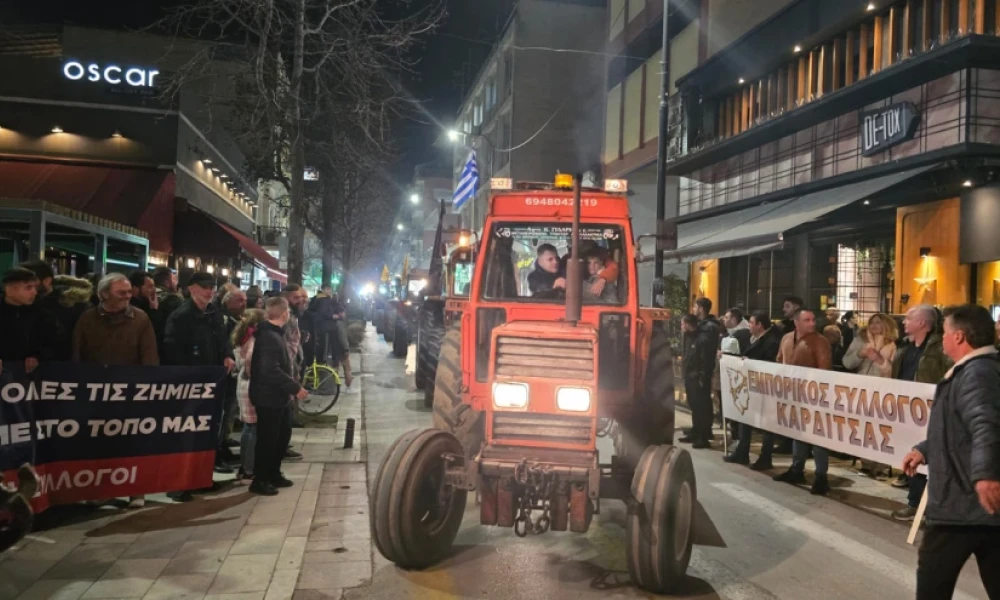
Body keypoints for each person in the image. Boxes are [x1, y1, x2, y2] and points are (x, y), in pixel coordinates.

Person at [901, 304, 1000, 599]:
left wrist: (985, 476)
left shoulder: (977, 373)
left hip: (960, 505)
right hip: (980, 506)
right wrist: (925, 449)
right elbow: (959, 430)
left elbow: (985, 424)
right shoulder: (976, 371)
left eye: (944, 332)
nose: (941, 339)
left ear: (958, 337)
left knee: (932, 585)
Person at [72, 273, 158, 508]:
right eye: (122, 293)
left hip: (130, 391)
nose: (127, 296)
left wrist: (146, 386)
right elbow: (77, 354)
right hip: (96, 392)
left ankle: (136, 491)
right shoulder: (87, 319)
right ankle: (103, 490)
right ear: (104, 294)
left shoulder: (140, 319)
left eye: (129, 292)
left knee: (132, 444)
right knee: (100, 445)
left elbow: (149, 355)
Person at [162, 271, 236, 500]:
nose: (210, 291)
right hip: (189, 384)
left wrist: (227, 355)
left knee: (208, 432)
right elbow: (172, 350)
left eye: (212, 287)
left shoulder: (213, 313)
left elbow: (223, 339)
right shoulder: (181, 316)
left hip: (213, 381)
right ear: (192, 288)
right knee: (185, 433)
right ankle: (179, 484)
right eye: (205, 287)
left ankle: (202, 477)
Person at [891, 304, 952, 521]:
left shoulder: (939, 350)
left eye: (908, 318)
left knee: (927, 455)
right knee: (913, 453)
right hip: (907, 412)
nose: (903, 322)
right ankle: (916, 503)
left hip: (930, 412)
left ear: (922, 323)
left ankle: (921, 505)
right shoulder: (905, 348)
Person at [249, 297, 310, 496]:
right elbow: (269, 370)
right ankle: (260, 479)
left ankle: (273, 473)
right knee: (268, 439)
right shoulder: (268, 336)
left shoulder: (276, 333)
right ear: (284, 314)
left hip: (279, 397)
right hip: (268, 397)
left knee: (281, 437)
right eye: (289, 313)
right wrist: (294, 387)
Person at [773, 308, 834, 495]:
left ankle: (821, 476)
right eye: (807, 320)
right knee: (797, 432)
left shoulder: (820, 342)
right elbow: (779, 361)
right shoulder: (786, 338)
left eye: (813, 319)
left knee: (818, 437)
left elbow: (825, 369)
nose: (812, 323)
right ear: (796, 322)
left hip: (814, 396)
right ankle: (797, 469)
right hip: (792, 395)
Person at [842, 312, 899, 479]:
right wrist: (860, 354)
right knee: (863, 427)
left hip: (884, 390)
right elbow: (847, 362)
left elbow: (894, 370)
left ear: (886, 325)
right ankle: (866, 463)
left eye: (878, 323)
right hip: (862, 389)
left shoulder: (894, 344)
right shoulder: (860, 340)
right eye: (872, 322)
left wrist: (879, 359)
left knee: (882, 429)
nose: (874, 326)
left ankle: (881, 466)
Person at [724, 311, 782, 469]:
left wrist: (751, 362)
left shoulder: (772, 341)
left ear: (760, 325)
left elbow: (770, 363)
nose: (748, 325)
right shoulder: (754, 338)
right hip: (751, 386)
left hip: (766, 387)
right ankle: (742, 452)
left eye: (751, 322)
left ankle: (765, 457)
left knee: (767, 424)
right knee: (745, 418)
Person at [215, 289, 248, 472]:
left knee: (228, 412)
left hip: (233, 373)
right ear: (228, 302)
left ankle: (223, 447)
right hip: (226, 373)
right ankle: (218, 452)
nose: (244, 303)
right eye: (239, 300)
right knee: (222, 413)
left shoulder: (238, 319)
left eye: (244, 300)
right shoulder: (225, 320)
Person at [233, 309, 266, 484]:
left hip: (243, 384)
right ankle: (248, 469)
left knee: (248, 427)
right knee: (252, 428)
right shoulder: (253, 340)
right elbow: (250, 364)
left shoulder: (243, 336)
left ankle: (244, 467)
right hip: (251, 385)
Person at [0, 268, 53, 376]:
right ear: (9, 290)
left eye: (35, 287)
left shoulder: (42, 313)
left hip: (31, 376)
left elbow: (54, 342)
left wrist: (37, 356)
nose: (34, 292)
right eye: (28, 288)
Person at [680, 306, 717, 449]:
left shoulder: (703, 339)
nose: (682, 327)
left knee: (702, 408)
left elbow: (706, 362)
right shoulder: (689, 338)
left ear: (689, 324)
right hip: (689, 378)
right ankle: (695, 432)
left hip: (698, 380)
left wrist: (702, 379)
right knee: (694, 407)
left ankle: (703, 436)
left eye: (683, 324)